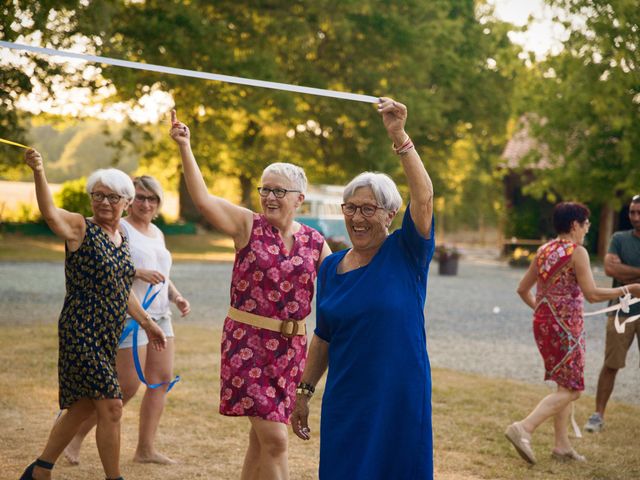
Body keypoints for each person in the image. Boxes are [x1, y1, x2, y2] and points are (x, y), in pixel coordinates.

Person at [169, 109, 331, 480]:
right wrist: (185, 147)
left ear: (300, 198)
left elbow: (342, 284)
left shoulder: (314, 241)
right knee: (275, 440)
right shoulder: (247, 225)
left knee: (260, 443)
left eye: (279, 190)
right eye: (265, 189)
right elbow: (204, 199)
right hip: (248, 344)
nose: (270, 196)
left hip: (292, 352)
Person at [291, 97, 436, 479]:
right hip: (347, 397)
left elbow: (424, 197)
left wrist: (399, 136)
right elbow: (323, 337)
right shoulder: (330, 267)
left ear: (390, 215)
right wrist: (304, 393)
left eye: (368, 209)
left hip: (399, 396)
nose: (357, 217)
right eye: (350, 208)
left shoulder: (407, 252)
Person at [19, 149, 167, 480]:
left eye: (112, 197)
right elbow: (50, 213)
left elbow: (120, 287)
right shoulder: (80, 228)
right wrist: (39, 171)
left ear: (126, 202)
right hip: (80, 330)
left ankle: (40, 469)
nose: (103, 202)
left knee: (83, 406)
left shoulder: (122, 237)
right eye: (97, 195)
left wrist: (147, 322)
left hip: (106, 333)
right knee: (112, 406)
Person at [63, 175, 191, 466]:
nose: (146, 203)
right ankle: (75, 437)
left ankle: (145, 449)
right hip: (129, 314)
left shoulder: (157, 233)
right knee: (125, 387)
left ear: (158, 204)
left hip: (162, 315)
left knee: (160, 382)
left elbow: (162, 273)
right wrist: (137, 273)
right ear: (130, 200)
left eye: (152, 198)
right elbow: (107, 267)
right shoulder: (120, 228)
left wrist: (177, 296)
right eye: (141, 197)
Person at [506, 201, 640, 465]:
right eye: (586, 224)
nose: (587, 229)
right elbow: (591, 294)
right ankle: (524, 428)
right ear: (574, 224)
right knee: (574, 389)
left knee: (564, 385)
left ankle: (562, 447)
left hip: (544, 326)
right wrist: (628, 290)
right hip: (567, 329)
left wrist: (544, 311)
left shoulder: (544, 250)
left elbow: (523, 289)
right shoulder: (577, 252)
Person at [584, 194, 640, 433]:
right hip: (622, 311)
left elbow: (618, 270)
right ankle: (598, 415)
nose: (635, 217)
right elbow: (609, 268)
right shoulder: (618, 238)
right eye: (632, 212)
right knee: (611, 364)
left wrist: (626, 272)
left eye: (639, 212)